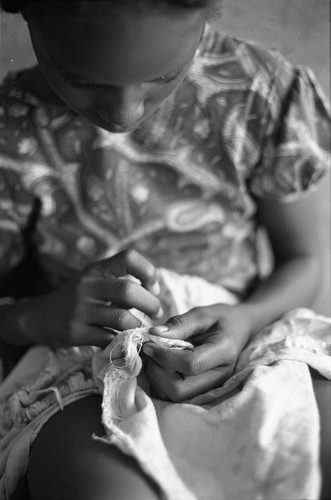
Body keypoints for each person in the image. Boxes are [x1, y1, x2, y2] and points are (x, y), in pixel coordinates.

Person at [0, 0, 330, 499]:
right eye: (84, 81)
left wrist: (245, 320)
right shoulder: (10, 131)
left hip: (245, 337)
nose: (124, 114)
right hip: (80, 365)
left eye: (165, 76)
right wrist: (35, 317)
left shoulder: (255, 94)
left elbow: (303, 259)